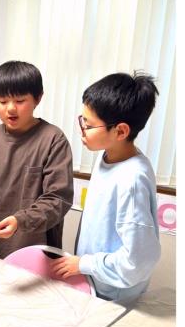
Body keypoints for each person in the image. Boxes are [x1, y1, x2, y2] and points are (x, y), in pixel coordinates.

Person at [51, 73, 161, 303]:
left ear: (120, 131)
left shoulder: (132, 179)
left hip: (114, 295)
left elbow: (137, 262)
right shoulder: (109, 156)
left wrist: (84, 264)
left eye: (89, 125)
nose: (82, 129)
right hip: (94, 283)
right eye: (82, 120)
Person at [0, 61, 73, 258]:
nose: (11, 109)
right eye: (3, 101)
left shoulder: (53, 139)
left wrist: (21, 221)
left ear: (38, 98)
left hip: (38, 253)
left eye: (20, 101)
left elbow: (58, 198)